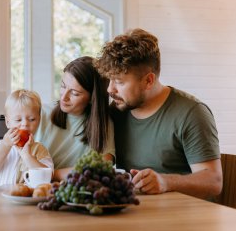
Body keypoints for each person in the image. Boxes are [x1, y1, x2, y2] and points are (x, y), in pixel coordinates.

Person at [94, 28, 222, 199]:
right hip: (134, 213)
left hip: (182, 218)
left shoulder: (192, 113)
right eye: (110, 80)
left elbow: (213, 182)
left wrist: (166, 182)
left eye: (119, 82)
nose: (110, 89)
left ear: (148, 80)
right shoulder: (116, 112)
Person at [34, 56, 115, 181]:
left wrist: (51, 174)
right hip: (37, 188)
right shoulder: (40, 113)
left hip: (77, 193)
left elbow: (102, 169)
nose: (64, 97)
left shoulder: (103, 124)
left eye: (74, 93)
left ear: (91, 98)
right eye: (62, 86)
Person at [0, 89, 54, 185]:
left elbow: (47, 177)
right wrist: (5, 145)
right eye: (18, 119)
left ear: (39, 121)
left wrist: (27, 156)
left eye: (32, 119)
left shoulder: (40, 150)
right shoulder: (0, 145)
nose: (25, 124)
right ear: (8, 122)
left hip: (23, 198)